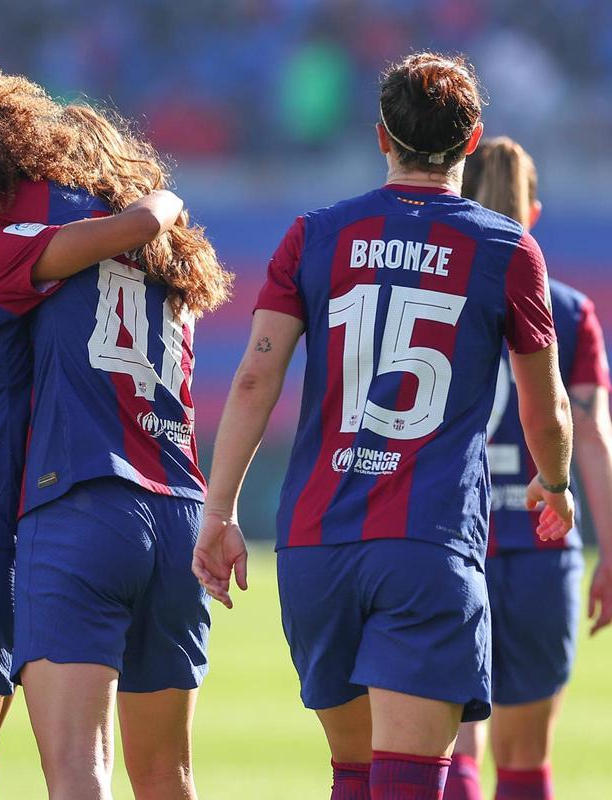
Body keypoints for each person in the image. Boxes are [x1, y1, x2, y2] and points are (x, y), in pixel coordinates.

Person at [192, 52, 574, 800]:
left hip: (316, 549)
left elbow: (254, 377)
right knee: (406, 784)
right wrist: (554, 484)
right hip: (426, 545)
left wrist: (219, 510)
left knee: (354, 776)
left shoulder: (315, 235)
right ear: (471, 142)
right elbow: (546, 405)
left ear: (380, 138)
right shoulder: (506, 249)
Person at [0, 62, 231, 800]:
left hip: (58, 506)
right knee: (165, 776)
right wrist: (168, 201)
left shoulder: (19, 230)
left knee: (68, 777)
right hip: (172, 505)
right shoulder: (174, 273)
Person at [443, 137, 612, 800]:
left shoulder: (439, 296)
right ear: (533, 213)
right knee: (523, 757)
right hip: (543, 546)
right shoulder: (571, 312)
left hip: (454, 542)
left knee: (452, 742)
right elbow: (592, 434)